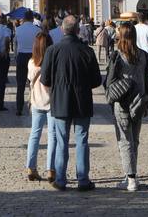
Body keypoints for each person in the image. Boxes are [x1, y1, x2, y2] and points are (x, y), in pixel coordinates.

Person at [40, 15, 102, 192]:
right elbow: (97, 80)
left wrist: (56, 88)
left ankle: (60, 179)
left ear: (62, 30)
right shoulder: (87, 51)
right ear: (77, 30)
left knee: (62, 141)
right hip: (82, 100)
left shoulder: (53, 50)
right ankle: (82, 179)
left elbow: (45, 79)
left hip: (60, 100)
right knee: (82, 140)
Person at [106, 23, 148, 192]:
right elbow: (147, 78)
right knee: (134, 140)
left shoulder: (117, 55)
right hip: (139, 101)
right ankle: (132, 174)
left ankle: (130, 179)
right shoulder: (143, 55)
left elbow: (109, 80)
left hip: (122, 102)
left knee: (125, 141)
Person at [24, 31, 55, 182]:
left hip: (36, 101)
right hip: (51, 102)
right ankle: (51, 169)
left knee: (34, 135)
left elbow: (30, 79)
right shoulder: (53, 62)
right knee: (52, 136)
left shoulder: (31, 62)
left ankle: (31, 167)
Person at [14, 11, 41, 117]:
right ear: (32, 18)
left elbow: (15, 44)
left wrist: (15, 56)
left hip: (21, 56)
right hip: (34, 57)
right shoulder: (38, 30)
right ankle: (33, 106)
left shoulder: (18, 29)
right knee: (34, 83)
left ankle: (19, 108)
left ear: (24, 18)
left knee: (20, 85)